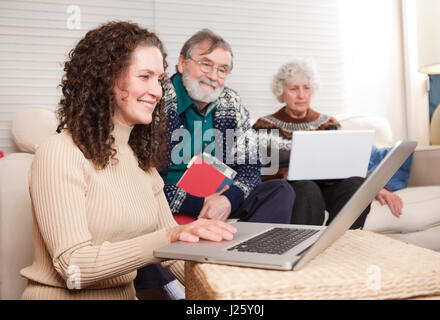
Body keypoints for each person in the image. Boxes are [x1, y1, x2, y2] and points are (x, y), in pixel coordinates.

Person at [20, 21, 236, 300]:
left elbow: (173, 257)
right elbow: (74, 267)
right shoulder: (59, 152)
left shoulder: (140, 160)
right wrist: (170, 237)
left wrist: (233, 287)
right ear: (107, 78)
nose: (157, 91)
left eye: (158, 80)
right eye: (144, 76)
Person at [160, 29, 295, 223]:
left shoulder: (231, 102)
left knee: (280, 191)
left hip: (221, 199)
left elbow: (250, 166)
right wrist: (199, 203)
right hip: (172, 204)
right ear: (182, 63)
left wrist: (227, 201)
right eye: (206, 65)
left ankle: (248, 249)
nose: (213, 76)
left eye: (222, 69)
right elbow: (145, 181)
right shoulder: (158, 99)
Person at [252, 58, 404, 228]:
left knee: (355, 184)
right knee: (307, 187)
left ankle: (339, 244)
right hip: (296, 191)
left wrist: (377, 187)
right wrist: (285, 173)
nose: (301, 95)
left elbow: (348, 164)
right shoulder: (264, 125)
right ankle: (304, 248)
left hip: (328, 188)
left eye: (306, 88)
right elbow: (259, 172)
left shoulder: (328, 123)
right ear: (282, 92)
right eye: (294, 89)